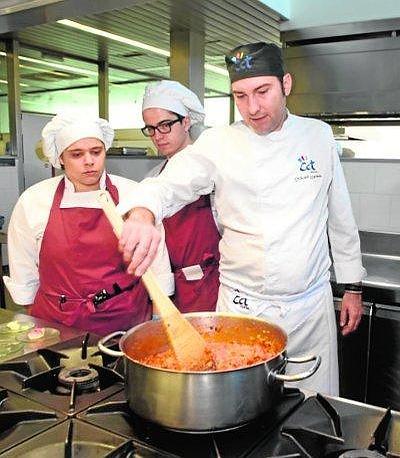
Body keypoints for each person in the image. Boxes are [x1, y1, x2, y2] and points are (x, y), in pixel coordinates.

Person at [116, 42, 366, 395]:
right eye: (240, 96)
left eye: (263, 92)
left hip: (310, 307)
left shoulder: (318, 136)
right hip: (244, 308)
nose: (253, 108)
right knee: (247, 406)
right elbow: (169, 183)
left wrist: (352, 285)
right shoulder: (219, 143)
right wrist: (142, 213)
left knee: (315, 405)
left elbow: (339, 216)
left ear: (286, 85)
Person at [3, 115, 174, 335]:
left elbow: (157, 264)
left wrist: (159, 320)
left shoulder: (134, 195)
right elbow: (24, 271)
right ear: (61, 158)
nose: (89, 161)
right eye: (77, 154)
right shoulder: (35, 200)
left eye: (96, 151)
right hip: (58, 323)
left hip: (126, 320)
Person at [141, 80, 220, 313]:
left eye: (165, 125)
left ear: (186, 122)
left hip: (217, 284)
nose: (158, 136)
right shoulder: (156, 178)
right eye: (151, 128)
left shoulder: (213, 169)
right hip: (177, 288)